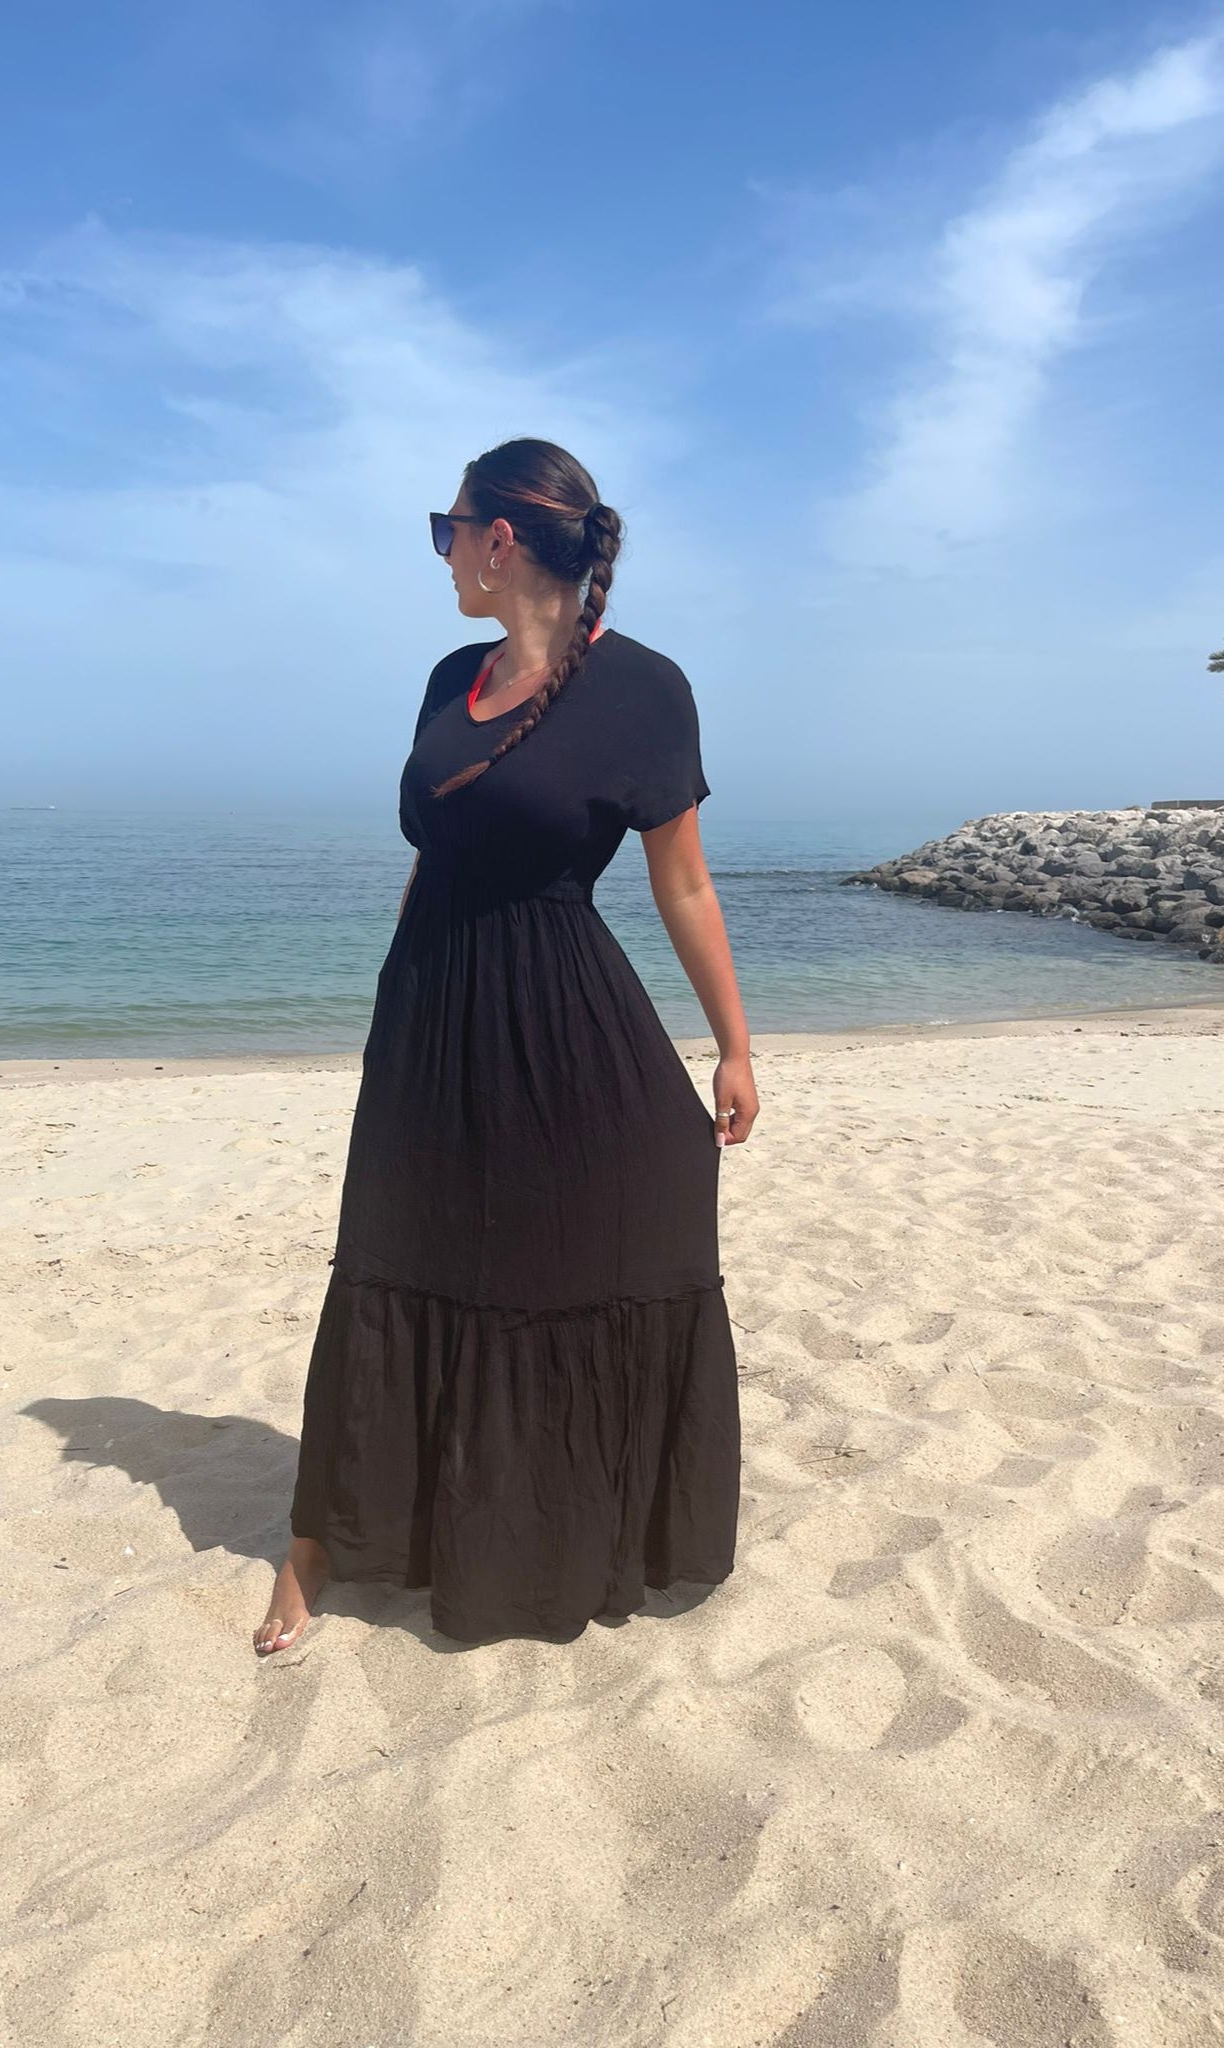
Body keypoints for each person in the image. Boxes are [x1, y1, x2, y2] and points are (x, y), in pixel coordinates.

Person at [254, 436, 759, 1651]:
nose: (439, 554)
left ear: (498, 541)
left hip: (561, 1014)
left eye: (448, 529)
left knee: (567, 1254)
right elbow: (437, 850)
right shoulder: (448, 676)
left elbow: (682, 886)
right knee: (391, 1242)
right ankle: (315, 1547)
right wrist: (402, 983)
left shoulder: (644, 691)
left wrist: (734, 1047)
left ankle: (563, 1523)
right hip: (431, 1010)